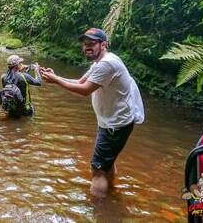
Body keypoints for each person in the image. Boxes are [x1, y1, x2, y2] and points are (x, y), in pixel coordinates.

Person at [41, 27, 144, 198]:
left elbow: (84, 90)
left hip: (114, 124)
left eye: (92, 44)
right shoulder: (99, 63)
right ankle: (110, 195)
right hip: (115, 122)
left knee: (97, 169)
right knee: (106, 163)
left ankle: (99, 208)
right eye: (85, 44)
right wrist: (57, 78)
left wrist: (57, 81)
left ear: (103, 45)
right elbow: (80, 82)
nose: (87, 47)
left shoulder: (106, 64)